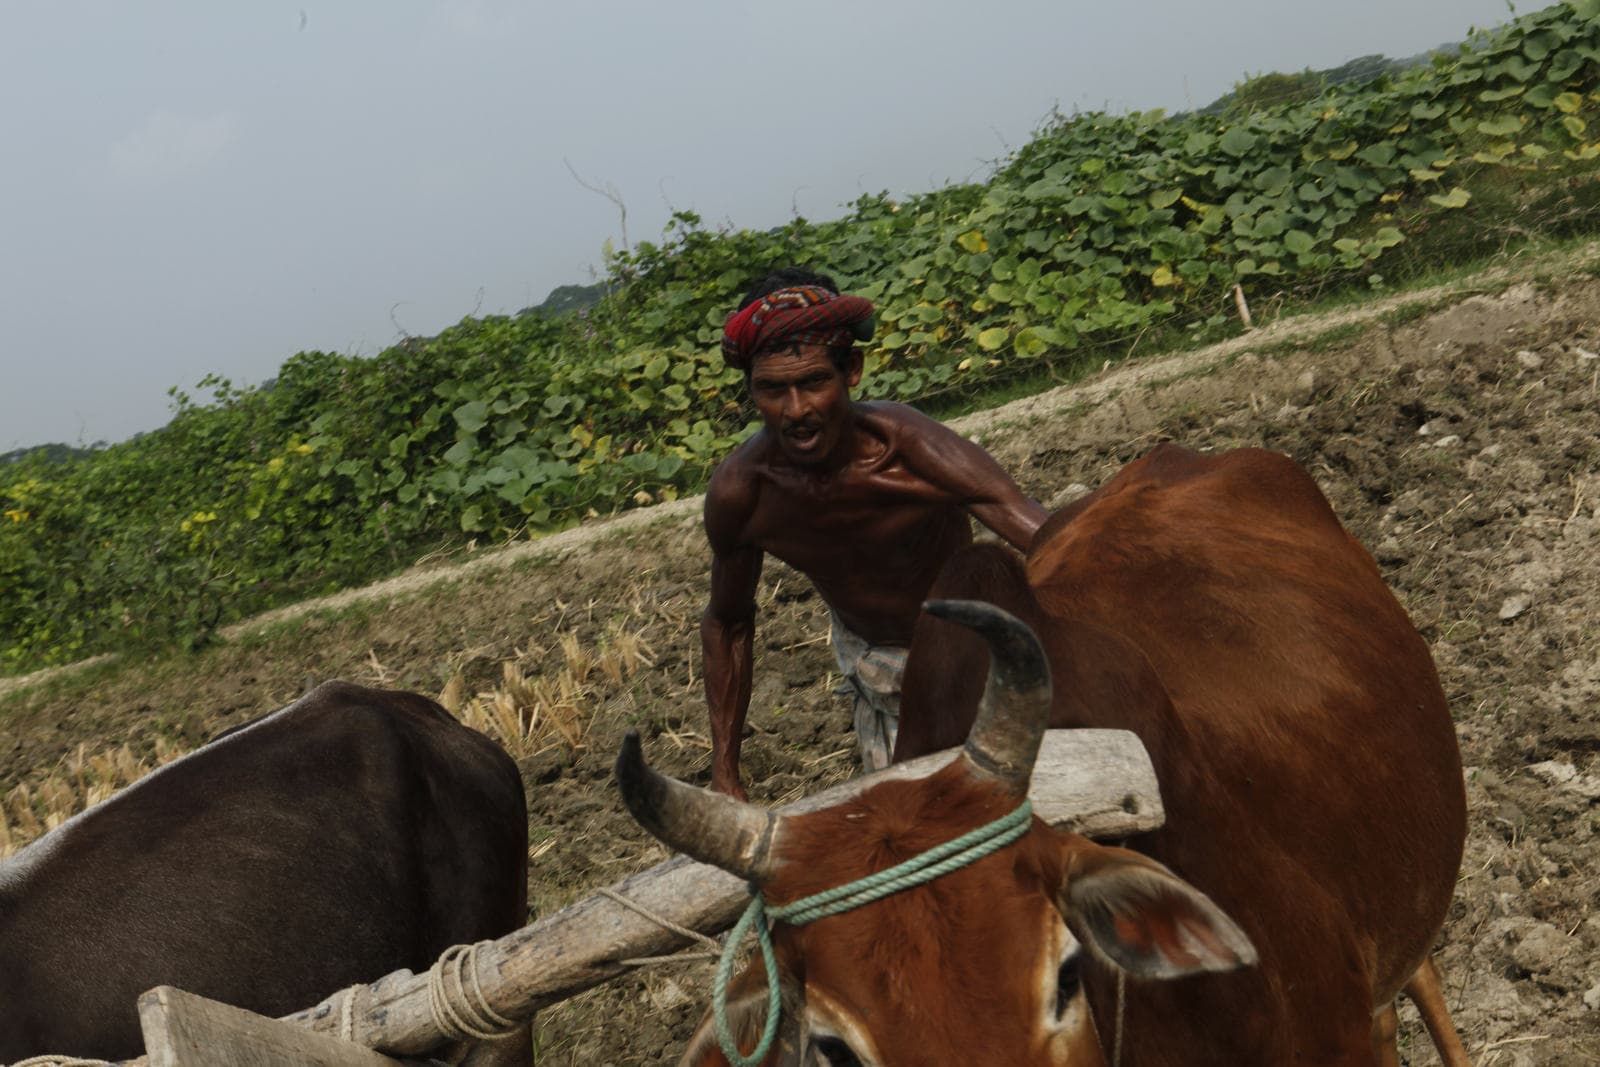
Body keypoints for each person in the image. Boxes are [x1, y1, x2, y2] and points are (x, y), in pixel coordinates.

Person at [702, 267, 1047, 799]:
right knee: (912, 826)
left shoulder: (906, 449)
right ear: (750, 390)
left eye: (814, 382)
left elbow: (1033, 526)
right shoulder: (744, 494)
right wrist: (725, 772)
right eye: (772, 389)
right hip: (878, 668)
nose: (796, 410)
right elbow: (728, 624)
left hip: (975, 650)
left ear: (852, 371)